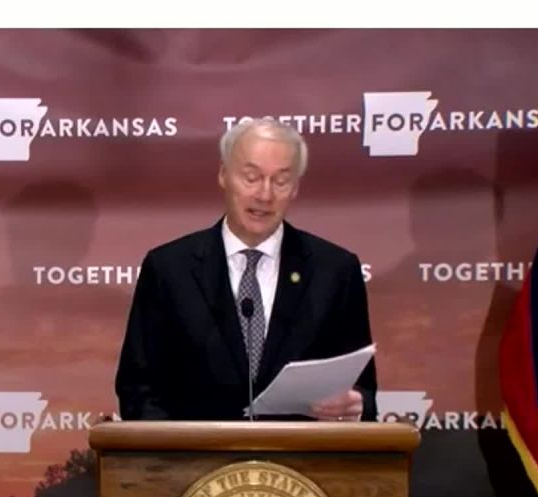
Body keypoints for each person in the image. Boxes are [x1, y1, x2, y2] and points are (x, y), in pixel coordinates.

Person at [115, 116, 377, 423]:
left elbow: (364, 390)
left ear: (295, 188)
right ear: (224, 175)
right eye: (251, 177)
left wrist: (356, 405)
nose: (264, 195)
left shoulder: (335, 272)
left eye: (280, 181)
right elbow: (138, 390)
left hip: (300, 466)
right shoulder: (169, 270)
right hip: (196, 466)